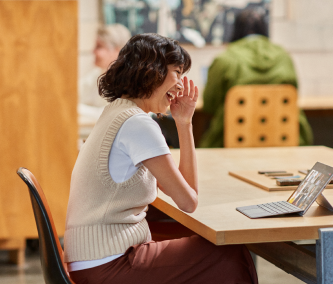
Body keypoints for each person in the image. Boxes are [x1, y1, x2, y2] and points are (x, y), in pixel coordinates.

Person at [63, 33, 258, 284]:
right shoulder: (138, 124)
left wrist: (184, 123)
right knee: (231, 253)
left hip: (91, 258)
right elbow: (189, 202)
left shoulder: (118, 111)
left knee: (213, 251)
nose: (180, 84)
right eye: (177, 72)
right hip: (110, 263)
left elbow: (184, 191)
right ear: (151, 71)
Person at [199, 8, 313, 148]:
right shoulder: (284, 57)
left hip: (231, 141)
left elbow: (209, 105)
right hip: (285, 139)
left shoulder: (225, 59)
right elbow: (294, 95)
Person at [78, 24, 132, 121]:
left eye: (99, 47)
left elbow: (112, 113)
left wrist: (75, 108)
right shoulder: (98, 74)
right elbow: (74, 93)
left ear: (117, 50)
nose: (93, 51)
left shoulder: (128, 80)